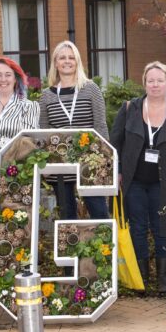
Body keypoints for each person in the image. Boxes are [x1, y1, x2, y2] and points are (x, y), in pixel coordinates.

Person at [110, 61, 166, 294]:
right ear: (144, 83)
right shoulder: (129, 109)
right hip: (134, 180)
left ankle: (164, 280)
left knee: (162, 226)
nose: (155, 85)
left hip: (163, 181)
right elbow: (115, 142)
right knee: (138, 227)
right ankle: (141, 278)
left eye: (159, 80)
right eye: (150, 80)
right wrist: (119, 170)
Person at [39, 41, 110, 220]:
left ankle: (103, 247)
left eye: (71, 57)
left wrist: (105, 158)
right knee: (66, 216)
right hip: (59, 164)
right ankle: (69, 248)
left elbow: (100, 125)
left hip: (89, 161)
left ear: (77, 62)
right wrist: (45, 162)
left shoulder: (90, 89)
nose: (67, 61)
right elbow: (44, 131)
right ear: (56, 63)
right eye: (62, 58)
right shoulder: (47, 95)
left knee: (99, 212)